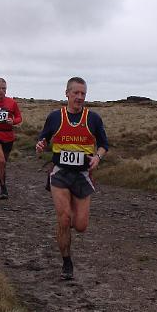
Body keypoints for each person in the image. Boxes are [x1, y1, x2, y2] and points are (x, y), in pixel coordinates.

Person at [35, 76, 108, 280]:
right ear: (66, 93)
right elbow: (43, 138)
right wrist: (40, 145)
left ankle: (64, 230)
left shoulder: (93, 118)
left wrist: (97, 157)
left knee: (81, 225)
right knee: (65, 218)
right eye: (75, 93)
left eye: (83, 93)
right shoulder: (55, 117)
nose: (79, 97)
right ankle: (66, 261)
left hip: (83, 175)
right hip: (60, 172)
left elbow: (104, 144)